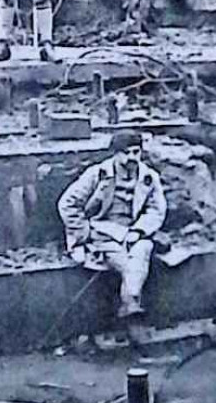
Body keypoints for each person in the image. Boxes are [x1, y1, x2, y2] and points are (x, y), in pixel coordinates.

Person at [57, 131, 168, 319]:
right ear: (115, 153)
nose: (132, 158)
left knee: (144, 248)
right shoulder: (97, 174)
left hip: (132, 231)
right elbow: (67, 204)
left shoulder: (149, 177)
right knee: (125, 260)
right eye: (126, 153)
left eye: (136, 152)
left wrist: (139, 230)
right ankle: (131, 301)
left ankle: (129, 304)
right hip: (100, 230)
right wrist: (84, 232)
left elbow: (156, 210)